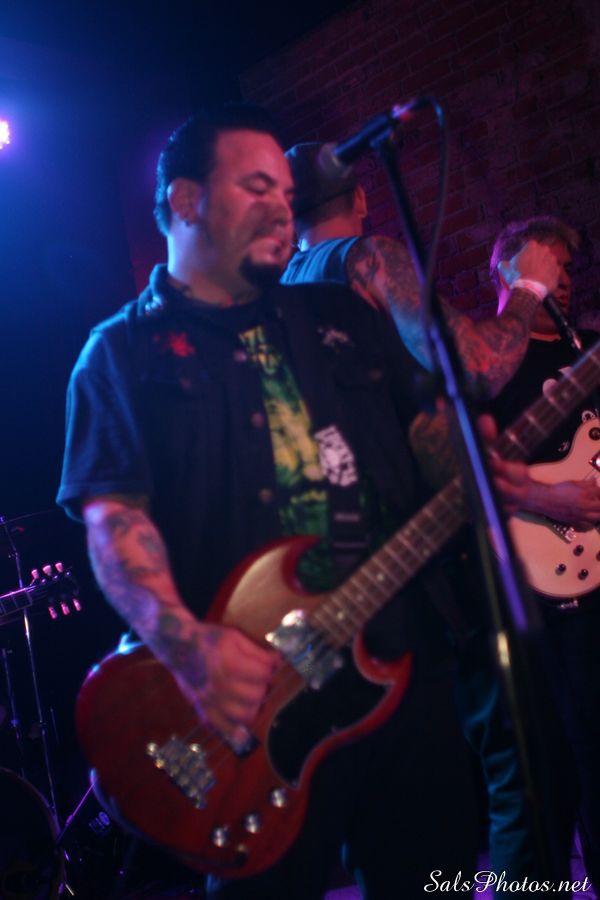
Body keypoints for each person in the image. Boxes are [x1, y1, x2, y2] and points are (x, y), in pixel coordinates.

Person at [56, 107, 558, 899]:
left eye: (287, 194)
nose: (281, 207)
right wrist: (189, 647)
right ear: (185, 201)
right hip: (254, 709)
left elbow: (424, 433)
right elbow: (114, 522)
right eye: (256, 187)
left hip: (403, 664)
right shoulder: (120, 354)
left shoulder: (338, 316)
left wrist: (471, 460)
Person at [482, 216, 600, 894]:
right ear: (509, 270)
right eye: (547, 264)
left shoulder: (586, 353)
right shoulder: (488, 364)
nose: (562, 279)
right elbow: (465, 470)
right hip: (541, 582)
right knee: (558, 764)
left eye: (567, 267)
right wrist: (549, 498)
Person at [282, 141, 562, 399]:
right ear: (360, 199)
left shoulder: (282, 288)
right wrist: (529, 286)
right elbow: (477, 369)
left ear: (290, 223)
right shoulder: (369, 257)